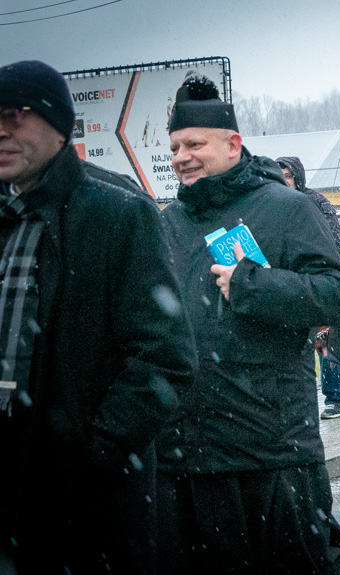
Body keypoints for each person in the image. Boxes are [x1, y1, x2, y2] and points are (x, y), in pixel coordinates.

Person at [157, 75, 340, 574]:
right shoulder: (169, 222)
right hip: (187, 453)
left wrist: (253, 284)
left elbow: (339, 296)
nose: (182, 156)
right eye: (175, 147)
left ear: (233, 144)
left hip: (270, 447)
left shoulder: (287, 209)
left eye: (194, 144)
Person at [0, 60, 197, 574]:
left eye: (15, 115)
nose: (0, 129)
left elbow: (166, 356)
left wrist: (95, 450)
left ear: (60, 124)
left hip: (81, 497)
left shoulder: (117, 214)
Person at [276, 155, 340, 419]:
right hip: (286, 285)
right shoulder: (274, 205)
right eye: (278, 175)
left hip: (317, 282)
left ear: (298, 176)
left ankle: (335, 397)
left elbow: (332, 247)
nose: (283, 181)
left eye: (287, 175)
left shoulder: (316, 203)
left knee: (325, 342)